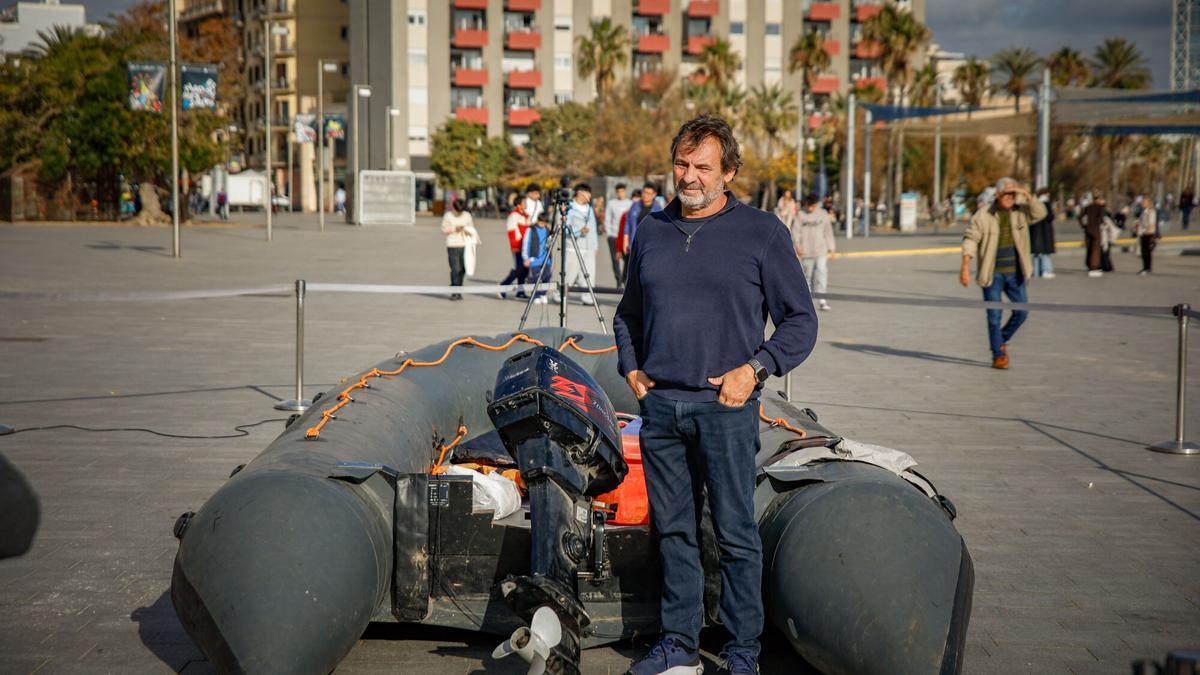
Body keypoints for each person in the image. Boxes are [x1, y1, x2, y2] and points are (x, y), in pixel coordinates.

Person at [615, 114, 818, 675]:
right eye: (682, 164)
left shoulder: (762, 233)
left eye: (703, 166)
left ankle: (741, 650)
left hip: (727, 412)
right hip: (660, 411)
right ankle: (679, 644)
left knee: (734, 533)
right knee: (674, 530)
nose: (690, 176)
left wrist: (754, 370)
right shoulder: (651, 231)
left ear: (728, 172)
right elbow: (628, 314)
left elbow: (800, 322)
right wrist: (631, 369)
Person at [960, 177, 1046, 370]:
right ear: (997, 195)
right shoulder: (984, 215)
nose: (1010, 197)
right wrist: (965, 265)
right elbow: (971, 238)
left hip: (1016, 274)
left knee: (1022, 312)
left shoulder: (1021, 212)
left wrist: (1024, 193)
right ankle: (998, 355)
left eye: (1012, 194)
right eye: (1006, 194)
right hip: (992, 274)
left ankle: (1001, 339)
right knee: (994, 316)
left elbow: (1041, 213)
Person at [791, 194, 836, 311]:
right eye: (808, 206)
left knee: (821, 272)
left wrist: (831, 248)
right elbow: (795, 232)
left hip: (821, 249)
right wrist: (797, 246)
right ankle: (808, 300)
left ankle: (822, 299)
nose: (809, 208)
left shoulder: (823, 214)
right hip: (806, 251)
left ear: (816, 205)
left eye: (812, 206)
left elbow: (828, 231)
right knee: (807, 275)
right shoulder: (800, 215)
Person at [558, 183, 599, 305]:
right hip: (573, 246)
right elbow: (563, 227)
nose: (589, 196)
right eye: (586, 193)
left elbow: (594, 229)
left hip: (588, 247)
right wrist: (578, 231)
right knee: (569, 274)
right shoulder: (569, 207)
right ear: (579, 193)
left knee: (589, 274)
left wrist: (595, 247)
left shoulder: (590, 209)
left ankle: (588, 297)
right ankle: (560, 295)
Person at [500, 185, 540, 298]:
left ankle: (520, 291)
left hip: (525, 247)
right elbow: (512, 232)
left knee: (525, 269)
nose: (526, 204)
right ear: (518, 204)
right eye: (524, 202)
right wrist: (516, 245)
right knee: (519, 268)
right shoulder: (514, 216)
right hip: (518, 246)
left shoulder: (525, 216)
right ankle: (503, 286)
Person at [440, 199, 477, 301]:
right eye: (457, 211)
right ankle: (455, 292)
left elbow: (472, 228)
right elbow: (443, 229)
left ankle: (457, 286)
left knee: (463, 268)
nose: (459, 213)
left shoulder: (467, 215)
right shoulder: (448, 216)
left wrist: (467, 230)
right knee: (455, 268)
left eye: (460, 211)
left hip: (464, 244)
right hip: (452, 244)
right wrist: (454, 229)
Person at [622, 183, 666, 256]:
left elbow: (660, 230)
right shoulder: (635, 206)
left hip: (650, 246)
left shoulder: (658, 209)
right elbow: (628, 224)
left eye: (648, 193)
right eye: (644, 192)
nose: (645, 195)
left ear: (654, 195)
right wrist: (625, 241)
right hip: (634, 243)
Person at [604, 183, 633, 287]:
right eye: (618, 192)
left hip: (625, 236)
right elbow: (607, 219)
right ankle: (618, 280)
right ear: (616, 192)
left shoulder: (630, 203)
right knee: (615, 260)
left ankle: (625, 279)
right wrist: (609, 233)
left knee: (627, 259)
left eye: (622, 191)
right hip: (614, 235)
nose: (620, 193)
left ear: (625, 191)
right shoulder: (611, 203)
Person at [522, 211, 552, 304]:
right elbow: (526, 243)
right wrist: (526, 258)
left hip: (546, 259)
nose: (543, 224)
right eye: (541, 222)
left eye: (544, 222)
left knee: (547, 277)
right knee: (535, 278)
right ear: (538, 220)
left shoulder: (548, 230)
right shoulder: (531, 230)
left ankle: (543, 294)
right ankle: (536, 295)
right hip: (534, 259)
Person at [1029, 187, 1056, 279]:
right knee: (1045, 252)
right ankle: (1046, 270)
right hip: (1045, 231)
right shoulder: (1046, 203)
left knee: (1036, 253)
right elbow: (1050, 217)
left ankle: (1036, 271)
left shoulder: (1034, 203)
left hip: (1035, 231)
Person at [1078, 194, 1107, 277]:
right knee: (1095, 249)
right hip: (1096, 230)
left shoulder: (1088, 207)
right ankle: (1094, 267)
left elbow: (1080, 216)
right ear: (1098, 199)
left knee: (1089, 248)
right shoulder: (1099, 207)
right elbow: (1101, 219)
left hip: (1087, 230)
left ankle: (1088, 264)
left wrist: (1083, 225)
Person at [1135, 195, 1158, 274]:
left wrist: (1148, 231)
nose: (1142, 203)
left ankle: (1147, 268)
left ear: (1148, 203)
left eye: (1144, 202)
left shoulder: (1151, 211)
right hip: (1143, 233)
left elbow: (1152, 223)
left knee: (1147, 252)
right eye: (1142, 202)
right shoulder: (1143, 211)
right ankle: (1145, 267)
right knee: (1143, 251)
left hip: (1148, 233)